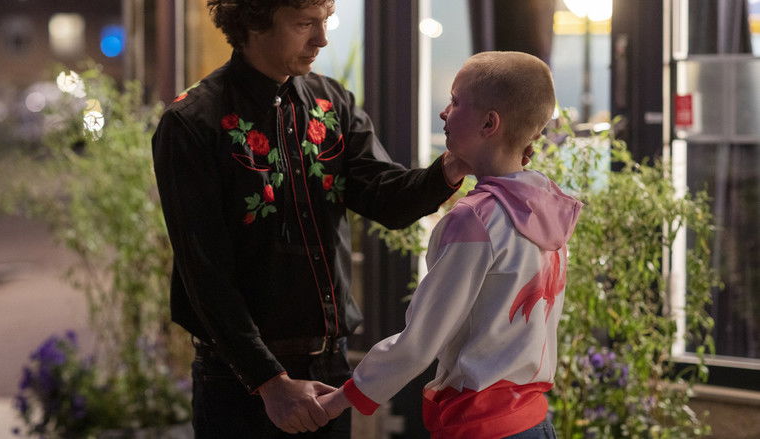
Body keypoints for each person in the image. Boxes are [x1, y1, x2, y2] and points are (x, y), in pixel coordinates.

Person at [151, 0, 487, 437]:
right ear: (254, 22)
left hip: (330, 365)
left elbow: (388, 200)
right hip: (238, 378)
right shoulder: (192, 122)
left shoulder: (331, 102)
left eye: (324, 21)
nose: (322, 39)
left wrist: (453, 166)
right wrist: (270, 382)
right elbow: (204, 274)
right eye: (304, 24)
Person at [317, 51, 583, 439]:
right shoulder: (548, 205)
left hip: (481, 426)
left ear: (489, 123)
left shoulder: (475, 219)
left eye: (456, 102)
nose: (444, 112)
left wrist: (338, 401)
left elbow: (420, 341)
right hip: (533, 422)